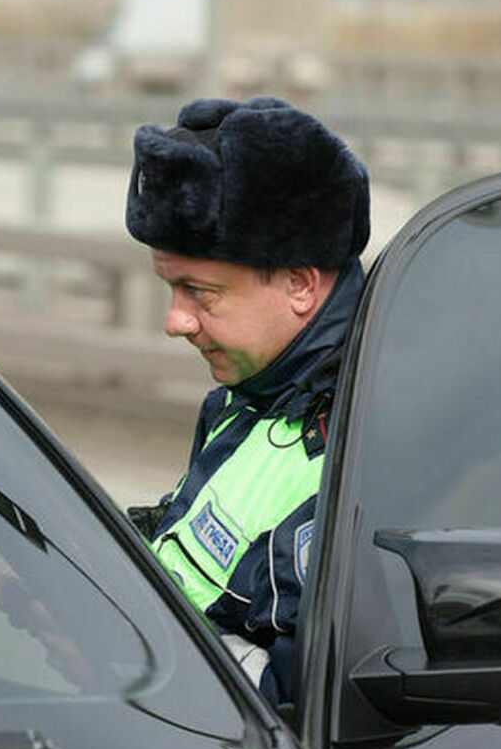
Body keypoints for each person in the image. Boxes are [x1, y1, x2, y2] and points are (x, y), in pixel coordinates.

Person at [123, 96, 369, 707]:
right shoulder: (247, 398)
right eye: (170, 288)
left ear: (299, 285)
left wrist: (118, 650)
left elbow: (299, 707)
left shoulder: (363, 458)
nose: (175, 321)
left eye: (199, 293)